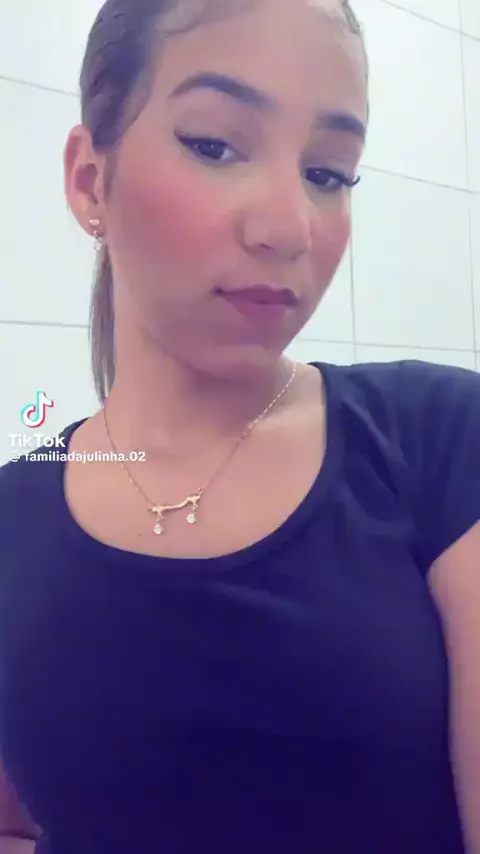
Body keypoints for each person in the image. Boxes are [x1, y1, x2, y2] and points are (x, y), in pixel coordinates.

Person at [1, 0, 479, 851]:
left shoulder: (441, 440)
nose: (289, 228)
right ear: (89, 181)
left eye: (328, 173)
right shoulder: (12, 516)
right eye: (214, 145)